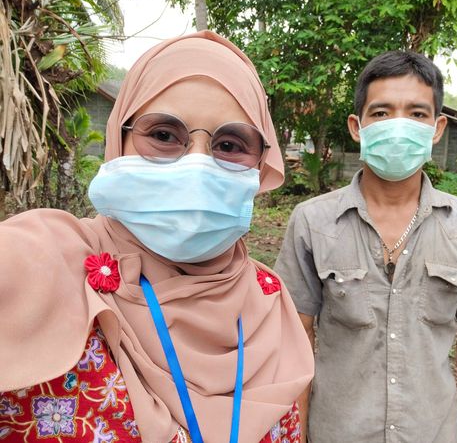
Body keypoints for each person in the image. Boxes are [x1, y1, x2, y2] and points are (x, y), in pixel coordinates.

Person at [0, 31, 313, 443]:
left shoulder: (268, 301)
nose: (197, 167)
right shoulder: (45, 257)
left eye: (229, 144)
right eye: (164, 135)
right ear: (120, 141)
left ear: (259, 165)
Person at [274, 50, 457, 443]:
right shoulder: (312, 222)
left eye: (417, 113)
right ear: (357, 127)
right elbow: (296, 337)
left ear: (437, 128)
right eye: (382, 112)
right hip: (337, 432)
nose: (398, 126)